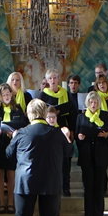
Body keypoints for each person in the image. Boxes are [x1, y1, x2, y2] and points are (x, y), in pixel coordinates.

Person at [6, 99, 67, 216]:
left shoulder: (23, 133)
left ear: (29, 114)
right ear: (43, 113)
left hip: (26, 182)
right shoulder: (56, 132)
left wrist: (13, 138)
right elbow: (68, 151)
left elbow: (8, 154)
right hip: (51, 181)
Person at [75, 90, 108, 216]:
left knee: (99, 189)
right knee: (88, 188)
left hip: (100, 156)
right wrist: (79, 138)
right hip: (86, 156)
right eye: (91, 102)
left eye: (96, 101)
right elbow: (77, 136)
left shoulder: (104, 117)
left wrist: (106, 135)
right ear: (87, 103)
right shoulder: (81, 117)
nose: (93, 104)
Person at [38, 67, 74, 196]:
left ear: (59, 79)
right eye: (50, 78)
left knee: (65, 160)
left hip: (63, 129)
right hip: (48, 130)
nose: (53, 80)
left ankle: (66, 187)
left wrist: (72, 130)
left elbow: (72, 113)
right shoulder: (43, 94)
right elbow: (40, 114)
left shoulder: (65, 93)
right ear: (47, 80)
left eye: (55, 78)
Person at [0, 83, 23, 213]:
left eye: (8, 94)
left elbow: (23, 123)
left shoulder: (18, 108)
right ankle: (1, 203)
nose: (7, 96)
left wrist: (14, 131)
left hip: (12, 144)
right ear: (0, 96)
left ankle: (10, 202)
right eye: (4, 95)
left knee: (11, 174)